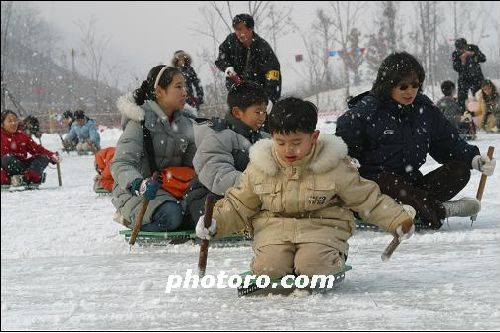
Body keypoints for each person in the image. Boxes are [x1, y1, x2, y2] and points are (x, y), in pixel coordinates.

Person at [196, 97, 415, 279]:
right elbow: (239, 203)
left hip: (323, 229)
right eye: (280, 143)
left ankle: (331, 257)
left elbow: (366, 198)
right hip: (274, 230)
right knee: (269, 269)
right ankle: (281, 262)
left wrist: (397, 219)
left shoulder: (333, 165)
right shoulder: (261, 166)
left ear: (314, 137)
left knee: (312, 266)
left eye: (296, 142)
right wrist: (215, 221)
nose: (288, 150)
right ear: (272, 138)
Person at [336, 52, 496, 230]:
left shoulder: (424, 110)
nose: (410, 91)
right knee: (389, 182)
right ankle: (440, 210)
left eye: (415, 85)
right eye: (403, 86)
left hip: (411, 183)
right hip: (375, 188)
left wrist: (474, 159)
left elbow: (447, 143)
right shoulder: (366, 112)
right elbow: (342, 153)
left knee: (459, 170)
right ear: (388, 85)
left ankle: (414, 208)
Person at [111, 65, 197, 232]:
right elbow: (120, 164)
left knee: (200, 213)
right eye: (178, 87)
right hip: (136, 192)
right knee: (171, 216)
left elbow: (194, 164)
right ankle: (130, 219)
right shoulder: (140, 122)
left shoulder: (186, 124)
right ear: (159, 92)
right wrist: (139, 184)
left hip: (173, 188)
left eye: (185, 86)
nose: (185, 92)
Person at [186, 81, 269, 224]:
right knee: (229, 211)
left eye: (264, 112)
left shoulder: (262, 138)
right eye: (258, 112)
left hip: (245, 195)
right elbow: (217, 174)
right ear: (237, 112)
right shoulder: (218, 136)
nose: (263, 117)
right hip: (207, 198)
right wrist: (255, 184)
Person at [215, 13, 281, 106]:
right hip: (236, 95)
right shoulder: (231, 41)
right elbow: (221, 57)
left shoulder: (263, 48)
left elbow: (273, 74)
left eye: (240, 29)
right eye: (236, 30)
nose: (238, 33)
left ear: (250, 29)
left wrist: (270, 98)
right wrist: (227, 67)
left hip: (257, 97)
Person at [1, 110, 60, 186]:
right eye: (10, 121)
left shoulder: (22, 136)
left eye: (15, 120)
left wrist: (52, 155)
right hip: (6, 167)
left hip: (22, 165)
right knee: (7, 158)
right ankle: (31, 177)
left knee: (44, 157)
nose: (13, 123)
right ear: (2, 124)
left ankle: (25, 177)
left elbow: (37, 149)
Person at [452, 38, 486, 111]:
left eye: (463, 48)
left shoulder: (474, 48)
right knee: (462, 99)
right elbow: (456, 68)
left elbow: (483, 58)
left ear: (466, 46)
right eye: (459, 49)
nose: (461, 50)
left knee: (480, 97)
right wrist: (462, 62)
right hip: (463, 79)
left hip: (477, 77)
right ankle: (464, 114)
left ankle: (482, 112)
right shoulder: (455, 54)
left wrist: (474, 54)